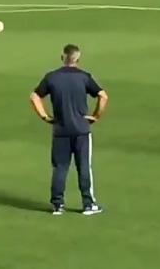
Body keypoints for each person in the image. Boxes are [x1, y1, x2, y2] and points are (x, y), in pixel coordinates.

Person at [30, 44, 109, 216]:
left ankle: (58, 205)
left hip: (60, 131)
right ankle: (88, 205)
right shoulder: (84, 77)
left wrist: (45, 117)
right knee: (84, 168)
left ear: (62, 57)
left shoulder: (52, 77)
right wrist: (96, 116)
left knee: (60, 168)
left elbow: (34, 96)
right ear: (78, 59)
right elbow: (103, 96)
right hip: (81, 130)